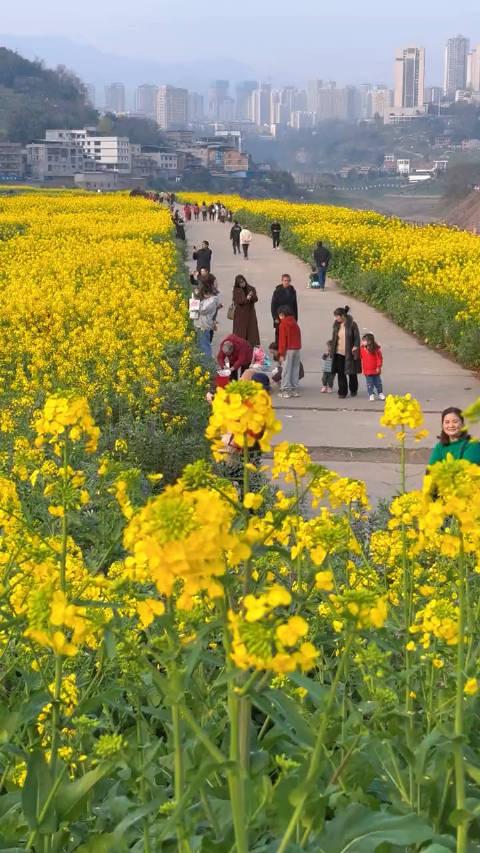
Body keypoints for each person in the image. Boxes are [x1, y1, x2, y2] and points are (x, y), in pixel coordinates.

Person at [331, 306, 361, 399]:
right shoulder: (336, 324)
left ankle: (353, 389)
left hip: (349, 352)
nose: (336, 318)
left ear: (343, 316)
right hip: (338, 352)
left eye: (337, 316)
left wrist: (355, 346)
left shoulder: (352, 324)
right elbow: (334, 337)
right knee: (341, 373)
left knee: (351, 373)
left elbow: (357, 337)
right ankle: (342, 392)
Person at [277, 306, 302, 399]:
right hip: (297, 349)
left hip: (288, 349)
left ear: (282, 314)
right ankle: (294, 389)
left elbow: (283, 341)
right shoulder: (294, 323)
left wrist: (281, 354)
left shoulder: (283, 324)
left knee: (286, 370)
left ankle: (285, 390)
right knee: (295, 369)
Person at [193, 280, 222, 359]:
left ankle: (207, 363)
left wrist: (195, 303)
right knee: (202, 346)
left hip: (204, 326)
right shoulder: (208, 300)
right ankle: (205, 362)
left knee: (205, 346)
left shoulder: (212, 301)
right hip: (201, 325)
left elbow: (203, 310)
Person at [232, 275, 260, 346]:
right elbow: (238, 301)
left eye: (243, 281)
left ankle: (251, 345)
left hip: (250, 314)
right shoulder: (236, 290)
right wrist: (246, 299)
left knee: (251, 331)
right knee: (240, 332)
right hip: (240, 315)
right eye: (240, 283)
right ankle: (240, 345)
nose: (242, 284)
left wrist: (251, 297)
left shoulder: (251, 288)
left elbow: (256, 299)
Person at [271, 274, 298, 346]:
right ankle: (277, 351)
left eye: (288, 281)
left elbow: (295, 305)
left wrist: (295, 318)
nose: (286, 282)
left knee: (289, 334)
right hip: (280, 316)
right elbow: (273, 306)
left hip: (290, 316)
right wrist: (275, 318)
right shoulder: (277, 291)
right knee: (279, 334)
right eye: (285, 281)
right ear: (282, 281)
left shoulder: (293, 291)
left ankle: (287, 350)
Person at [360, 333, 385, 401]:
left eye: (364, 340)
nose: (362, 342)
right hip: (367, 370)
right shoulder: (362, 349)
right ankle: (371, 394)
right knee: (369, 383)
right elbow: (359, 357)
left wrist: (378, 366)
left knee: (378, 382)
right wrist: (354, 352)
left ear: (370, 341)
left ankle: (380, 393)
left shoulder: (376, 350)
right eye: (362, 340)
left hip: (375, 370)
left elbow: (379, 359)